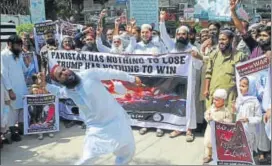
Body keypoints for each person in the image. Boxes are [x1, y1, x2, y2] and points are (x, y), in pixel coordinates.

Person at [42, 65, 142, 165]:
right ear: (60, 81)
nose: (65, 73)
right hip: (96, 127)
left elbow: (111, 72)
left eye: (64, 69)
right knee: (88, 157)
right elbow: (59, 92)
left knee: (127, 152)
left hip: (116, 119)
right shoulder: (68, 91)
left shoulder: (89, 74)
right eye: (60, 75)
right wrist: (45, 85)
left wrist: (131, 78)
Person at [160, 11, 203, 141]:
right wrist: (162, 21)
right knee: (176, 104)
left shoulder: (193, 49)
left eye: (183, 34)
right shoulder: (172, 46)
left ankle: (189, 129)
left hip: (188, 83)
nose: (180, 36)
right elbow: (164, 35)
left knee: (189, 106)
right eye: (178, 34)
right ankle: (177, 128)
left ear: (188, 36)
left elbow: (199, 66)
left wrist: (195, 57)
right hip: (174, 82)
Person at [204, 29, 247, 110]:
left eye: (224, 39)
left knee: (228, 120)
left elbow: (243, 77)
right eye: (220, 39)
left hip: (230, 96)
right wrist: (206, 89)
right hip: (214, 94)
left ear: (231, 40)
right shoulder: (214, 55)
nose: (221, 42)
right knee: (212, 119)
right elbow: (208, 73)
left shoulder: (239, 56)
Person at [1, 35, 29, 141]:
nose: (19, 47)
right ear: (9, 44)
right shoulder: (3, 55)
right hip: (11, 88)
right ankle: (13, 132)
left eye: (20, 45)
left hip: (21, 86)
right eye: (17, 45)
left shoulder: (19, 54)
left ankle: (20, 127)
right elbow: (3, 74)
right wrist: (10, 90)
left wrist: (27, 63)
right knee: (12, 111)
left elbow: (24, 70)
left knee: (22, 108)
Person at [232, 76, 262, 155]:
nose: (240, 88)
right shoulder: (239, 99)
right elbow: (237, 113)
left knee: (248, 153)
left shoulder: (255, 101)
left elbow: (259, 118)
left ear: (251, 87)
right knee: (238, 151)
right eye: (240, 85)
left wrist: (248, 119)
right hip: (239, 130)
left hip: (249, 132)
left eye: (243, 86)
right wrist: (234, 109)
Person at [203, 89, 232, 163]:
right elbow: (206, 114)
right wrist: (208, 118)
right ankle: (208, 155)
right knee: (208, 142)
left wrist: (222, 121)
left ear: (223, 101)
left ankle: (218, 157)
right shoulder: (211, 108)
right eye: (214, 99)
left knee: (218, 144)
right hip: (210, 129)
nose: (214, 101)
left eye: (217, 100)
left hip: (220, 131)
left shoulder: (226, 111)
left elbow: (229, 120)